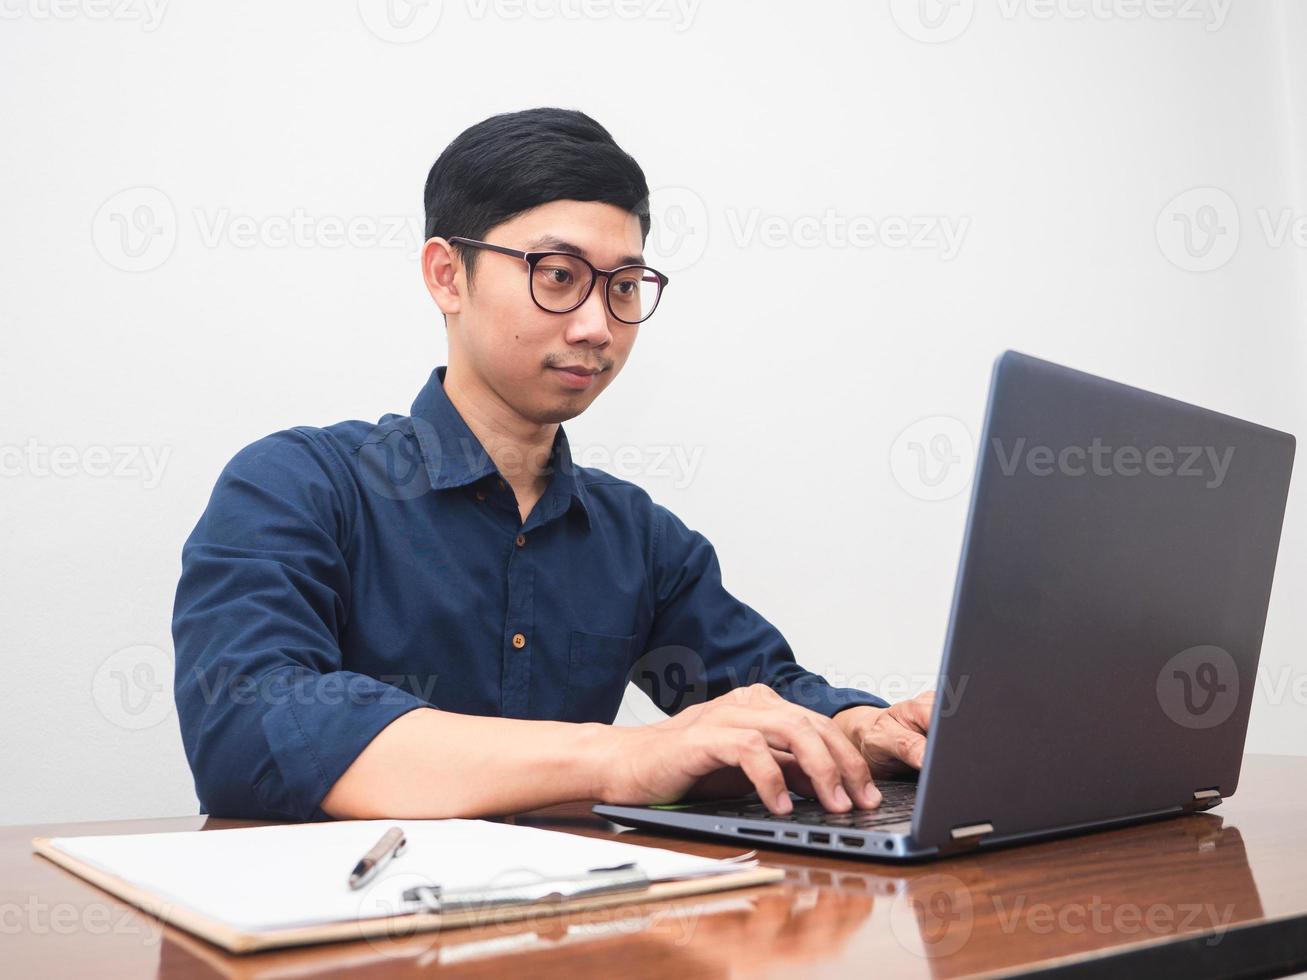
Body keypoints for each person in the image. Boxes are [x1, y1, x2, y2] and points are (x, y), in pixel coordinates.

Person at [172, 107, 934, 822]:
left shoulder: (634, 536)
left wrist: (863, 730)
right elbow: (249, 729)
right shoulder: (299, 484)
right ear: (447, 276)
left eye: (625, 286)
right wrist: (617, 757)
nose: (598, 326)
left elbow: (757, 693)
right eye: (558, 275)